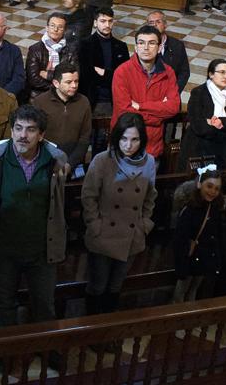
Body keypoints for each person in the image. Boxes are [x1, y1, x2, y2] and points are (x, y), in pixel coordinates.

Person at [0, 105, 68, 327]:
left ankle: (43, 352)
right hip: (4, 249)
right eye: (18, 128)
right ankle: (8, 356)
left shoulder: (55, 161)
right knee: (5, 305)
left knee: (44, 305)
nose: (23, 135)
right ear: (11, 130)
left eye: (31, 130)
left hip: (41, 250)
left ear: (41, 135)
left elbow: (58, 199)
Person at [81, 112, 156, 315]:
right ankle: (91, 330)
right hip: (103, 235)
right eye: (123, 138)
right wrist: (95, 225)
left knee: (115, 287)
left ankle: (107, 332)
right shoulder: (102, 161)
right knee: (98, 286)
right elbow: (89, 196)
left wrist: (144, 225)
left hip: (131, 237)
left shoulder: (149, 162)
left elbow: (150, 196)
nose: (128, 145)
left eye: (134, 139)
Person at [111, 25, 180, 160]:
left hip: (152, 147)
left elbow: (173, 108)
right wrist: (158, 117)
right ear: (136, 47)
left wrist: (140, 106)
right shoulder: (122, 72)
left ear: (159, 48)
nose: (146, 48)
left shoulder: (169, 72)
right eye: (141, 43)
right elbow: (125, 113)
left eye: (152, 43)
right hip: (124, 146)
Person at [178, 59, 226, 171]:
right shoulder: (198, 93)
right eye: (222, 72)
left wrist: (218, 122)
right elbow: (198, 126)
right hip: (200, 149)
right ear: (211, 74)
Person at [172, 164, 226, 302]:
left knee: (193, 292)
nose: (212, 192)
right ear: (199, 184)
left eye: (217, 189)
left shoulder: (214, 208)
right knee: (180, 294)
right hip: (189, 259)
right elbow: (180, 239)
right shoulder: (189, 210)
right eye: (209, 186)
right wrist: (181, 266)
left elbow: (216, 235)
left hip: (204, 259)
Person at [32, 63, 92, 171]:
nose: (74, 85)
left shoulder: (83, 102)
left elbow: (85, 138)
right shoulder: (40, 102)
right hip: (46, 162)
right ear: (56, 83)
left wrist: (70, 164)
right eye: (68, 82)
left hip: (75, 161)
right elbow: (35, 137)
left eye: (76, 81)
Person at [79, 7, 129, 113]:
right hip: (91, 98)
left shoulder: (121, 46)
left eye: (110, 21)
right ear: (95, 23)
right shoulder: (84, 45)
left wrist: (104, 73)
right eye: (103, 21)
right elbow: (86, 75)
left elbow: (124, 77)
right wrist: (112, 75)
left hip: (115, 99)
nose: (107, 25)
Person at [25, 13, 77, 100]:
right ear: (47, 28)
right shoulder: (35, 49)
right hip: (38, 95)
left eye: (60, 27)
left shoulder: (71, 51)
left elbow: (74, 76)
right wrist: (59, 87)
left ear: (64, 30)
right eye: (52, 26)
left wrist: (48, 75)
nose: (55, 29)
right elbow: (33, 79)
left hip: (64, 96)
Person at [146, 11, 189, 93]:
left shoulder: (177, 45)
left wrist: (174, 92)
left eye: (158, 22)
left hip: (171, 93)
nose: (154, 25)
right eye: (151, 22)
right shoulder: (143, 45)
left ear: (165, 25)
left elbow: (184, 72)